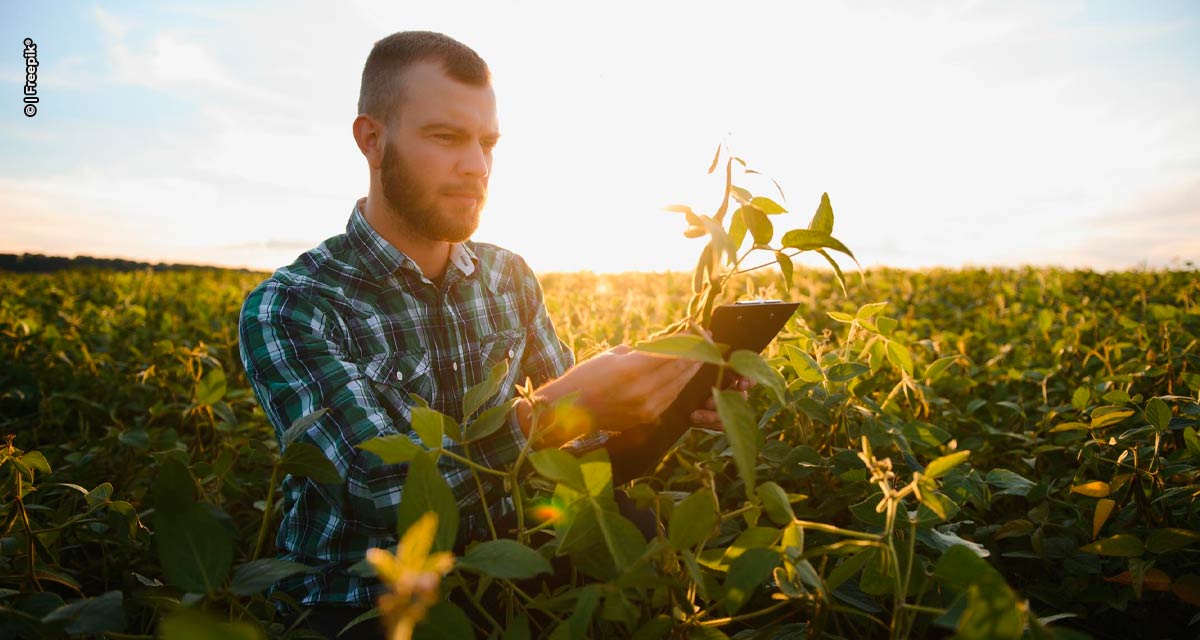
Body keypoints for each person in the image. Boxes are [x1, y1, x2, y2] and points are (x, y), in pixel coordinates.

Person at [238, 30, 738, 636]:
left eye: (487, 142)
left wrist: (668, 406)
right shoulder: (294, 306)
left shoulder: (508, 276)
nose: (476, 165)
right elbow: (381, 491)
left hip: (514, 561)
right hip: (364, 600)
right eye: (446, 137)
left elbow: (583, 454)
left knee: (636, 532)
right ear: (372, 140)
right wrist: (549, 415)